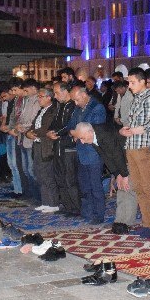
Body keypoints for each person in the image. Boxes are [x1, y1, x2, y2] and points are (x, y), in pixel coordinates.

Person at [121, 69, 150, 236]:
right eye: (129, 82)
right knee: (138, 187)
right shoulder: (136, 98)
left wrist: (136, 129)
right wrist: (125, 130)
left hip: (143, 147)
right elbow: (132, 122)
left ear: (142, 81)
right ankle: (147, 222)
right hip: (131, 146)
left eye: (132, 82)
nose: (130, 86)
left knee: (148, 187)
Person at [70, 86, 108, 224]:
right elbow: (71, 126)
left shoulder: (97, 107)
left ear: (84, 94)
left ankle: (98, 215)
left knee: (95, 186)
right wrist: (75, 132)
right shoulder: (78, 108)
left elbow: (91, 130)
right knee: (84, 185)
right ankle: (87, 212)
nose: (75, 103)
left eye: (77, 99)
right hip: (81, 151)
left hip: (93, 152)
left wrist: (77, 133)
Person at [49, 82, 81, 216]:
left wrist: (57, 133)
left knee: (70, 179)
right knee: (60, 177)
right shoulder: (60, 106)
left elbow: (70, 125)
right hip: (58, 146)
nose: (55, 96)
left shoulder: (73, 106)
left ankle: (76, 207)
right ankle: (67, 206)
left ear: (65, 91)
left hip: (69, 147)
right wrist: (49, 131)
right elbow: (54, 123)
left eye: (56, 93)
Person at [27, 87, 59, 211]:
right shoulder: (41, 110)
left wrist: (32, 132)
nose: (38, 99)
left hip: (47, 146)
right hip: (37, 144)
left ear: (48, 97)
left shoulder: (53, 110)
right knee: (39, 173)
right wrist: (28, 133)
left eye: (40, 97)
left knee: (48, 174)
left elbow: (47, 128)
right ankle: (46, 201)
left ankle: (53, 203)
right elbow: (33, 125)